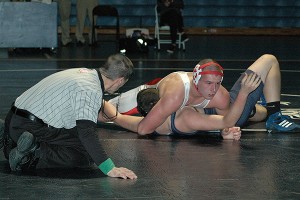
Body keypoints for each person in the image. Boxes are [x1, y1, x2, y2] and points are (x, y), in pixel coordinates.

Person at [0, 54, 137, 179]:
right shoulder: (91, 90)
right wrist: (110, 168)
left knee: (76, 137)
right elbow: (87, 133)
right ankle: (30, 155)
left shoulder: (84, 72)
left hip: (14, 117)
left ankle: (9, 138)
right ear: (120, 81)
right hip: (29, 126)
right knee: (85, 155)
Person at [108, 54, 300, 133]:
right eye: (209, 83)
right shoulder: (178, 106)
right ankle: (265, 111)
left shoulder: (218, 94)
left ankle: (270, 113)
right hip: (224, 112)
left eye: (217, 83)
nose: (213, 88)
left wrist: (109, 112)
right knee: (250, 113)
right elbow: (229, 122)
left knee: (269, 60)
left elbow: (230, 120)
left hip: (228, 109)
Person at [99, 72, 262, 140]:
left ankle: (256, 111)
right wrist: (244, 92)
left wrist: (96, 99)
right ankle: (265, 111)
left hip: (218, 115)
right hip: (233, 113)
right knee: (268, 60)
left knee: (256, 113)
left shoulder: (152, 124)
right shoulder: (184, 116)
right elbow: (227, 121)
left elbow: (116, 117)